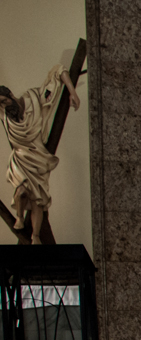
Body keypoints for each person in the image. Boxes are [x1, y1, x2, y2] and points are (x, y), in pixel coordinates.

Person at [0, 64, 81, 244]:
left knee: (38, 200)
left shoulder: (34, 99)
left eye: (4, 101)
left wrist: (72, 91)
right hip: (20, 159)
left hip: (38, 158)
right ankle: (20, 218)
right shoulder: (4, 114)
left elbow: (59, 71)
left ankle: (35, 236)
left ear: (11, 96)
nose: (3, 107)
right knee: (21, 191)